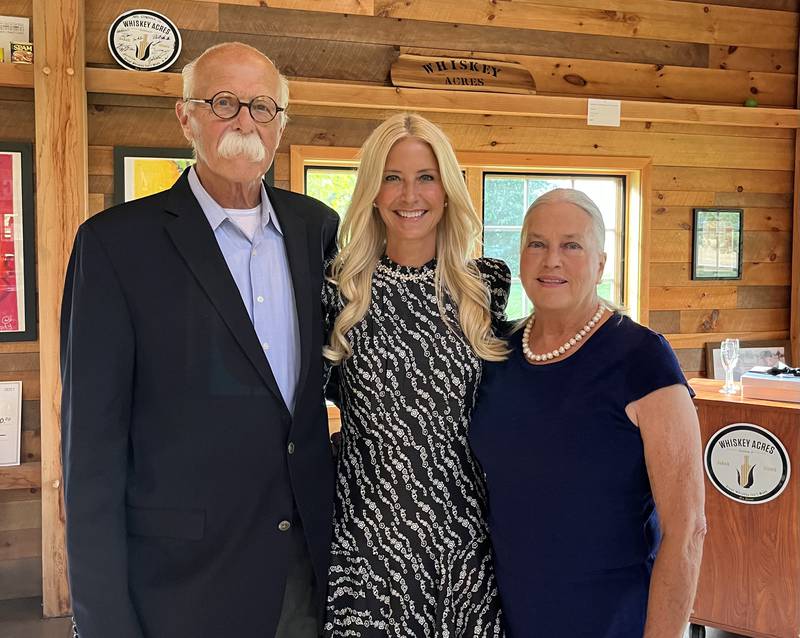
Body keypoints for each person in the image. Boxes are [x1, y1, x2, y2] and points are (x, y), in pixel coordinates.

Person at [60, 42, 338, 638]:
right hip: (180, 583)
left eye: (263, 106)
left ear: (281, 125)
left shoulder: (317, 229)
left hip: (307, 572)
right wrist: (102, 620)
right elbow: (92, 451)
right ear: (186, 117)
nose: (244, 120)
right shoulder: (115, 246)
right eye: (223, 102)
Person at [469, 188, 707, 638]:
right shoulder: (495, 352)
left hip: (612, 619)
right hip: (509, 618)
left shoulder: (642, 357)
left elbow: (688, 530)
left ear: (600, 263)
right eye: (536, 244)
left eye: (571, 245)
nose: (551, 260)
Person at [322, 113, 509, 636]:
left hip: (465, 547)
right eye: (392, 177)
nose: (410, 194)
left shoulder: (484, 287)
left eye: (426, 176)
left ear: (447, 190)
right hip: (366, 544)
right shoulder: (339, 290)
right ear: (373, 192)